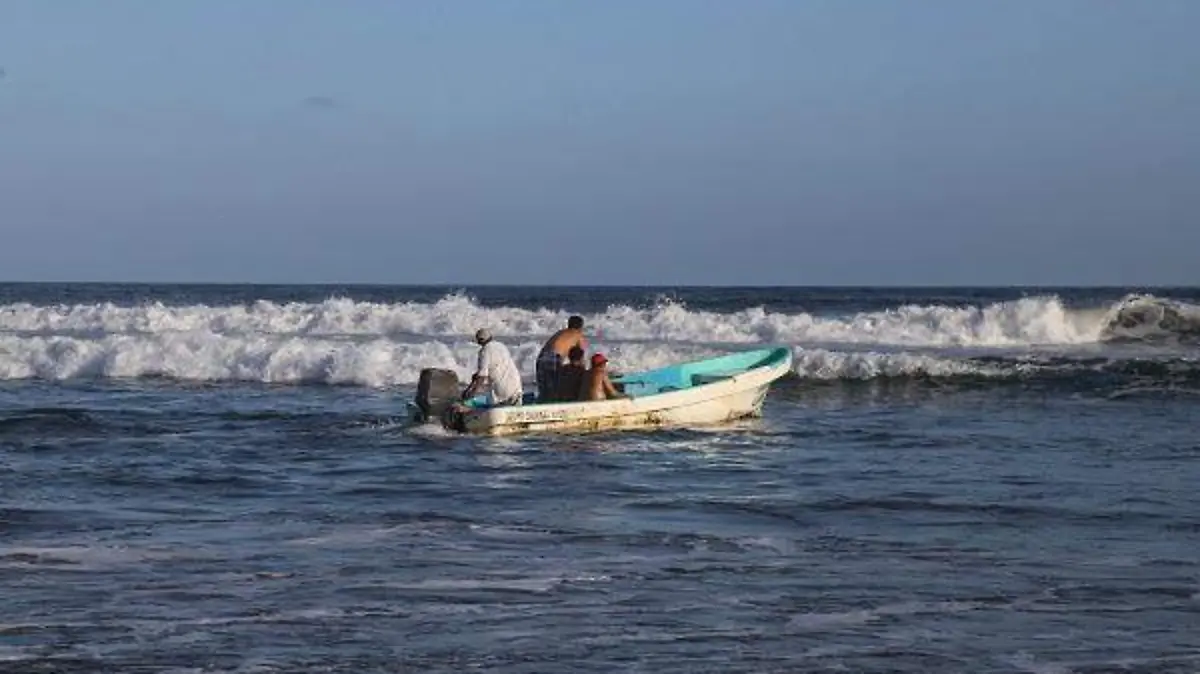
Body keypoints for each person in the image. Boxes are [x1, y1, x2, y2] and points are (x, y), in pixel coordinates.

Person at [461, 328, 523, 406]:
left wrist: (471, 394)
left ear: (479, 341)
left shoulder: (484, 351)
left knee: (470, 403)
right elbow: (495, 366)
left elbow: (482, 378)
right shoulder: (501, 346)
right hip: (517, 388)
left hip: (502, 393)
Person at [536, 315, 587, 401]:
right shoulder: (578, 335)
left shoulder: (561, 332)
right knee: (555, 390)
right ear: (581, 327)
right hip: (554, 358)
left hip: (541, 358)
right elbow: (580, 357)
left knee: (544, 391)